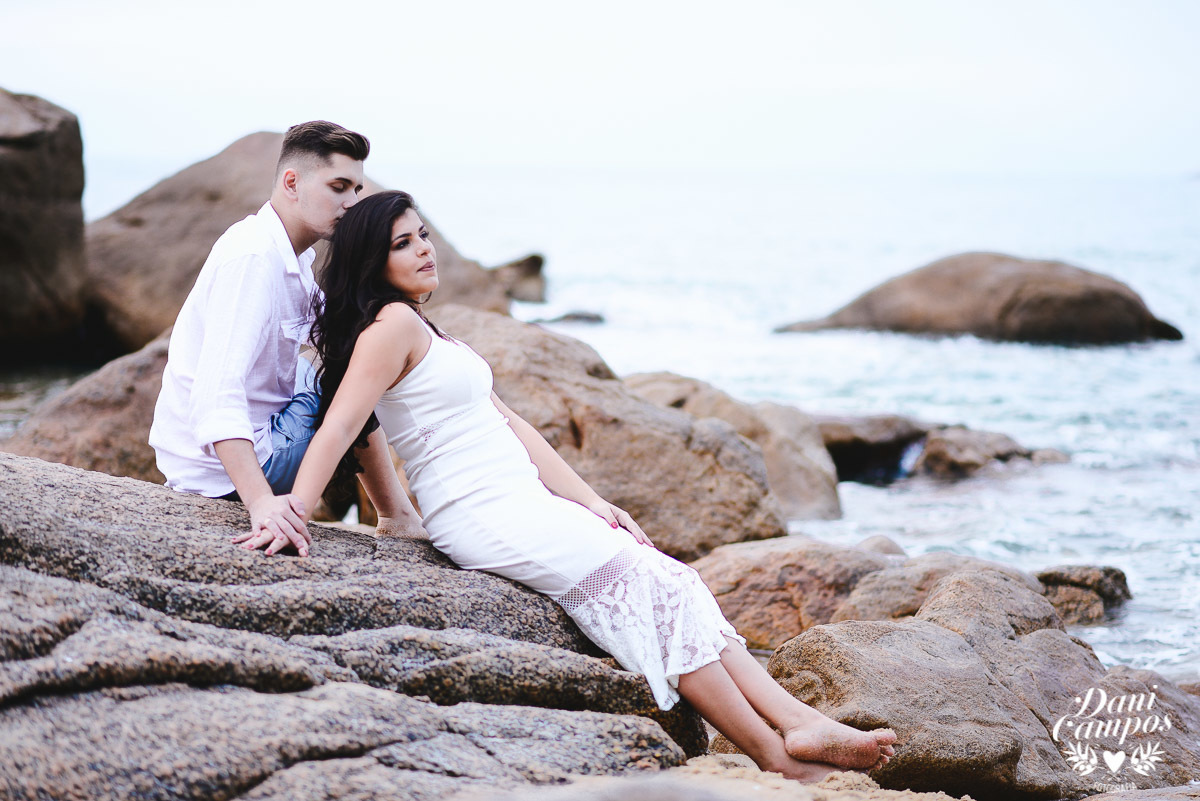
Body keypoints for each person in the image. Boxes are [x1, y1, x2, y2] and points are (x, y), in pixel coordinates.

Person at [271, 190, 897, 782]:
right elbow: (343, 424)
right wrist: (294, 510)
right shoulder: (390, 328)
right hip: (480, 512)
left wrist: (594, 502)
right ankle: (774, 753)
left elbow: (511, 423)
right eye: (403, 243)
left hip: (519, 500)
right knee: (646, 587)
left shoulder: (419, 325)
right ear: (373, 262)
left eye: (424, 235)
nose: (424, 249)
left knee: (671, 578)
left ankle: (799, 721)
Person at [150, 122, 412, 558]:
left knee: (357, 356)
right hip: (232, 474)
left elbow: (339, 332)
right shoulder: (254, 259)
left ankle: (397, 514)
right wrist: (260, 503)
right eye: (338, 187)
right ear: (292, 183)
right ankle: (398, 515)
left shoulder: (292, 255)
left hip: (242, 450)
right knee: (351, 378)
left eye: (357, 190)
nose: (351, 203)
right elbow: (215, 397)